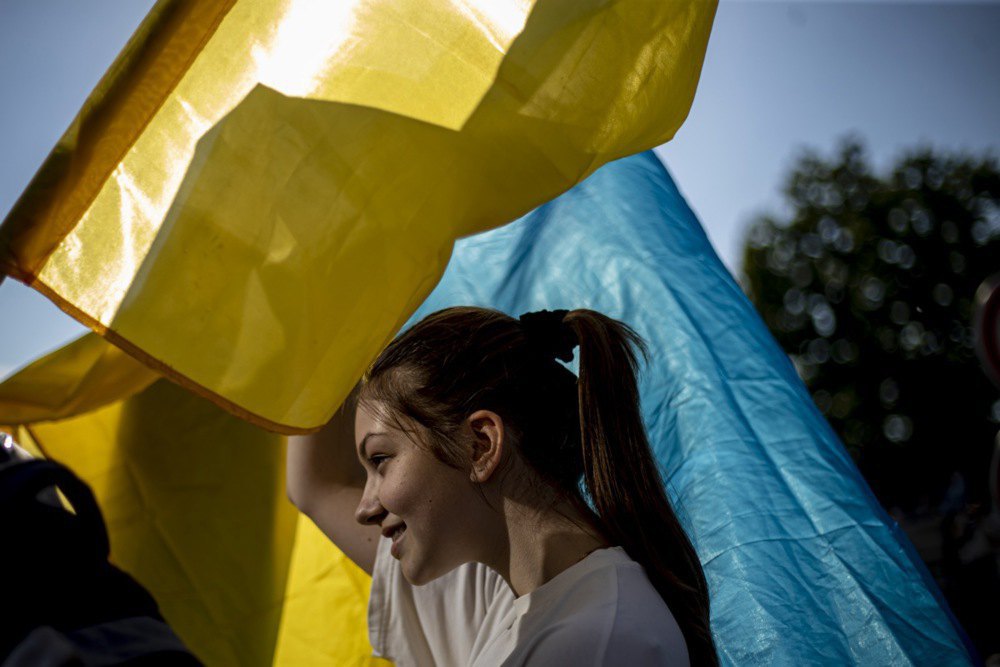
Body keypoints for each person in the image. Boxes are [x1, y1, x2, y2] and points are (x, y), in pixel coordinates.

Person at [287, 307, 717, 665]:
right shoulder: (505, 594)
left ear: (481, 445)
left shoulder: (595, 643)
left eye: (381, 460)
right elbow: (315, 487)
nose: (365, 508)